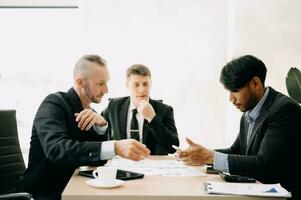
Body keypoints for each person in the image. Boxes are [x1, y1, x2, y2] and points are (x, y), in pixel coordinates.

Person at [18, 55, 150, 200]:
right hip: (46, 192)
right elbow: (56, 149)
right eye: (100, 83)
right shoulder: (53, 103)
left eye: (106, 83)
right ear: (80, 82)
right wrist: (115, 147)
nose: (106, 90)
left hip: (75, 187)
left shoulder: (91, 113)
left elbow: (96, 160)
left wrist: (101, 127)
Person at [178, 55, 301, 199]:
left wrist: (210, 157)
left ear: (255, 83)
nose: (231, 99)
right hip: (256, 192)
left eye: (235, 90)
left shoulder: (284, 110)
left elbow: (266, 165)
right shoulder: (249, 112)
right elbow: (237, 151)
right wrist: (200, 154)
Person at [102, 64, 179, 155]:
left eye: (145, 84)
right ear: (127, 85)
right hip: (122, 164)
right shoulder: (113, 106)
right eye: (136, 85)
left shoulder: (165, 110)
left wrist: (152, 118)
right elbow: (100, 133)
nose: (142, 90)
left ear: (151, 84)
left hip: (152, 165)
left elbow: (173, 147)